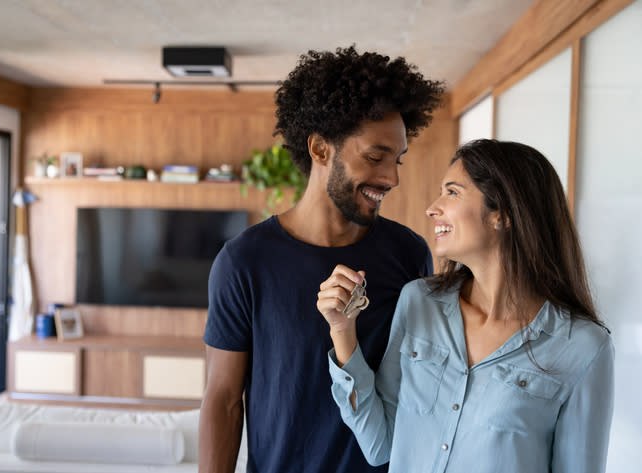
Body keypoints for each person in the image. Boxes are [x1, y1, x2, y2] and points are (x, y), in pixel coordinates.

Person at [199, 46, 444, 473]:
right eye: (375, 157)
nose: (392, 178)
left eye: (398, 159)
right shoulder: (244, 262)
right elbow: (222, 399)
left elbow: (422, 391)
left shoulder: (409, 255)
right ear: (319, 148)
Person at [319, 139, 614, 473]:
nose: (433, 207)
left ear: (502, 215)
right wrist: (342, 330)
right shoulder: (418, 302)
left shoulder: (585, 347)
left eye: (453, 192)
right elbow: (379, 444)